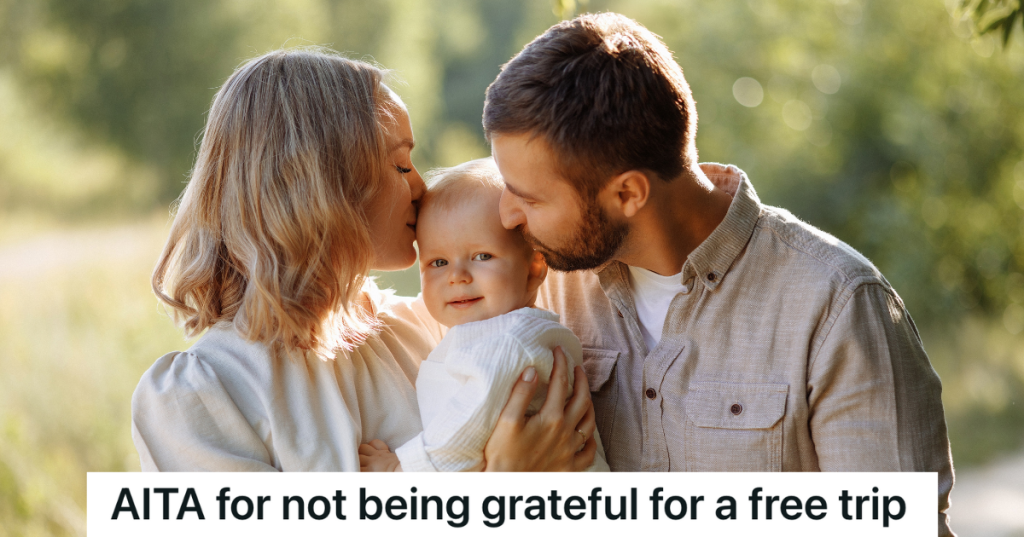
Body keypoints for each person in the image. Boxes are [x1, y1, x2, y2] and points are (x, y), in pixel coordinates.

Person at [483, 13, 954, 535]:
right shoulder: (540, 289)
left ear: (627, 194)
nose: (505, 215)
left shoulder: (835, 305)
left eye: (527, 197)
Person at [131, 48, 597, 472]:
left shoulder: (430, 329)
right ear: (321, 187)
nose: (420, 187)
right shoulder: (201, 398)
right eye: (399, 165)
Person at [357, 158, 609, 472]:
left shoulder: (512, 339)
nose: (457, 276)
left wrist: (403, 470)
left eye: (481, 256)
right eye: (438, 263)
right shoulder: (481, 334)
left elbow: (472, 415)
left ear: (534, 268)